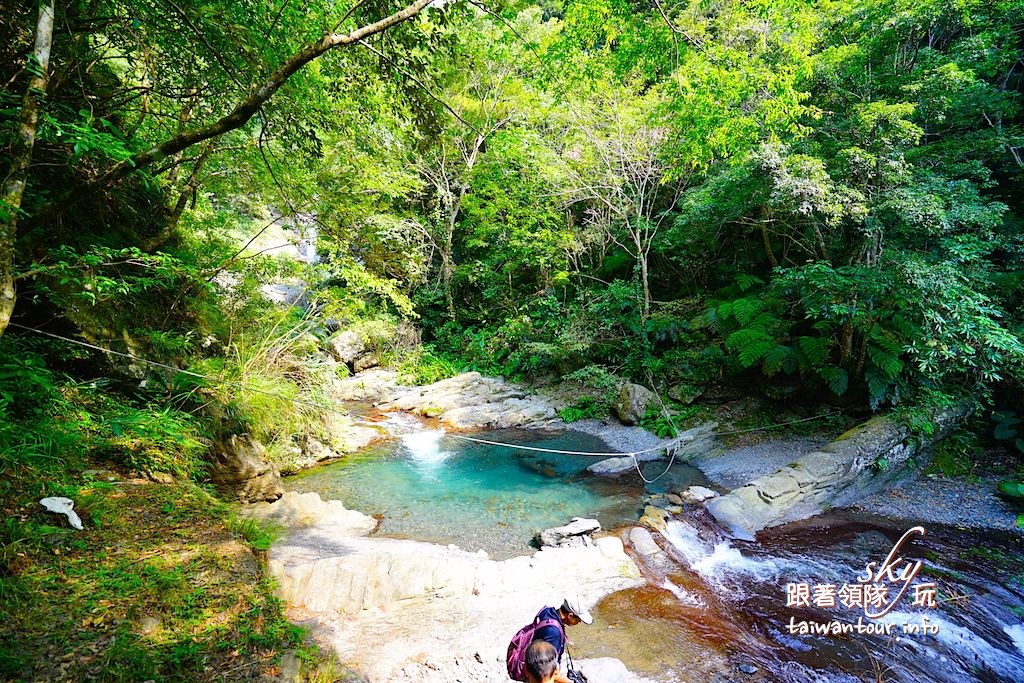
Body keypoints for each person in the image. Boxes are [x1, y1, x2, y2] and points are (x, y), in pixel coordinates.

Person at [532, 594, 593, 663]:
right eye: (579, 619)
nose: (579, 622)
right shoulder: (554, 633)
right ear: (570, 616)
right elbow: (547, 664)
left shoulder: (547, 611)